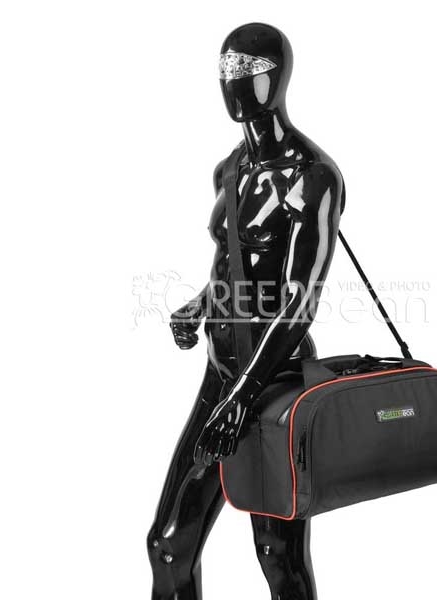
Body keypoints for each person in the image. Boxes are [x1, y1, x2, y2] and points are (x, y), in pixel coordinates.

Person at [147, 22, 344, 600]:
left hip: (275, 380)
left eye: (248, 69)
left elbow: (299, 302)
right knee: (169, 544)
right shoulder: (229, 169)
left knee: (277, 556)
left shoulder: (313, 178)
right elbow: (236, 267)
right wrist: (200, 304)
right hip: (222, 374)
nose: (234, 82)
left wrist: (242, 398)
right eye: (226, 69)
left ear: (278, 77)